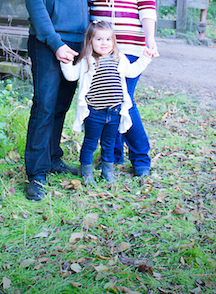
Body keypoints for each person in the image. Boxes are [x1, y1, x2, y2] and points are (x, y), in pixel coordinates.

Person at [21, 0, 89, 201]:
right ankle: (36, 173)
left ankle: (53, 157)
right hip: (50, 43)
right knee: (45, 105)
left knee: (61, 105)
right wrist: (55, 43)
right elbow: (35, 5)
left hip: (78, 43)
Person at [86, 0, 159, 177]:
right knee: (104, 100)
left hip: (129, 42)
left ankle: (141, 157)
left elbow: (147, 2)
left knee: (122, 100)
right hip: (100, 44)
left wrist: (149, 39)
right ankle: (113, 155)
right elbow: (86, 2)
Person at [61, 21, 151, 185]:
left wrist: (145, 58)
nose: (104, 43)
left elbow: (132, 71)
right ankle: (87, 173)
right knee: (90, 143)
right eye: (99, 39)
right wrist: (66, 62)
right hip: (94, 113)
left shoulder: (120, 59)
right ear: (90, 41)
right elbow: (72, 76)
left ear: (114, 41)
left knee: (109, 144)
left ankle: (107, 172)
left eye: (108, 40)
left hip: (115, 112)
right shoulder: (87, 60)